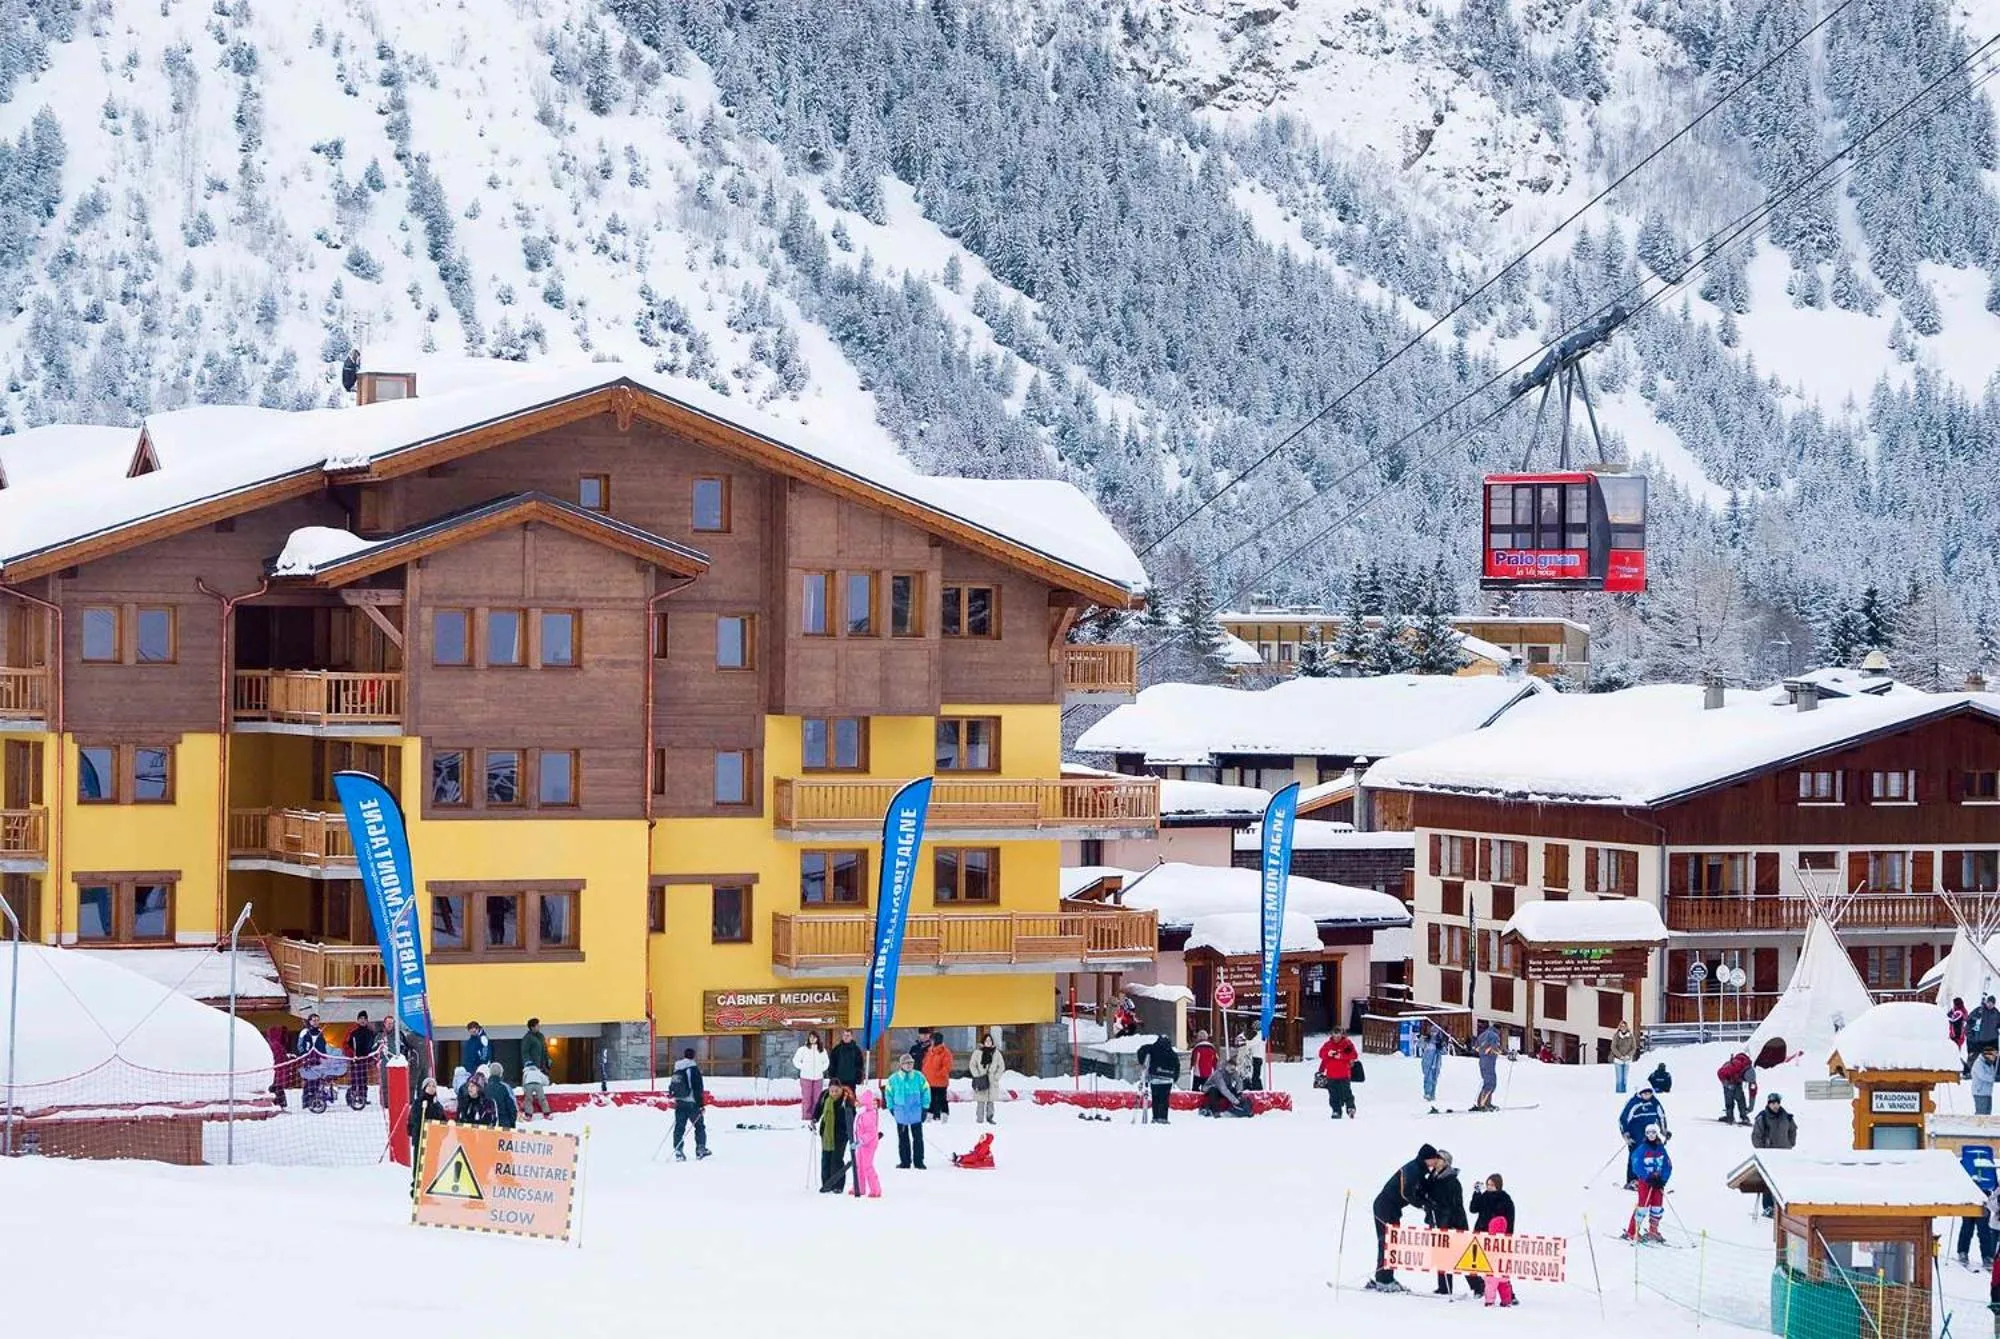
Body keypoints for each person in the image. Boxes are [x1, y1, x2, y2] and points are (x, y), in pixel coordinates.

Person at [1369, 1143, 1446, 1292]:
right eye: (1434, 1159)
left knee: (1393, 1242)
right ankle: (1383, 1280)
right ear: (1426, 1159)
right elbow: (1407, 1193)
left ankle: (1387, 1277)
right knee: (1386, 1242)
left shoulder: (1421, 1169)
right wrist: (1422, 1204)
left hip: (1393, 1209)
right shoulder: (1412, 1169)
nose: (1435, 1162)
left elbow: (1421, 1190)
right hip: (1384, 1206)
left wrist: (1428, 1201)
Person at [1424, 1149, 1469, 1295]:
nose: (1436, 1161)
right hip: (1439, 1222)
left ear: (1446, 1162)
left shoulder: (1452, 1181)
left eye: (1440, 1158)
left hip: (1454, 1223)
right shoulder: (1432, 1178)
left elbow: (1454, 1205)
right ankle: (1444, 1286)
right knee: (1441, 1254)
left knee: (1463, 1256)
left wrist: (1449, 1222)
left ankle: (1477, 1286)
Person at [1470, 1172, 1518, 1303]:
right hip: (1481, 1234)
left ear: (1498, 1186)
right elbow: (1473, 1209)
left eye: (1492, 1185)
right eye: (1488, 1185)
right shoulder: (1484, 1196)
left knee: (1499, 1268)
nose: (1489, 1187)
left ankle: (1509, 1295)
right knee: (1475, 1264)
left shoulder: (1505, 1199)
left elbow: (1509, 1220)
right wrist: (1476, 1194)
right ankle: (1481, 1289)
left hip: (1497, 1238)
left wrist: (1506, 1237)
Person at [1623, 1123, 1672, 1242]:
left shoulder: (1661, 1148)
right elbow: (1636, 1165)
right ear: (1646, 1134)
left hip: (1658, 1182)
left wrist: (1663, 1179)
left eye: (1653, 1133)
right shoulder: (1642, 1149)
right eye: (1648, 1133)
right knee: (1643, 1206)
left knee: (1657, 1206)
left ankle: (1653, 1230)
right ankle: (1632, 1231)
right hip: (1646, 1182)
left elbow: (1668, 1165)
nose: (1651, 1135)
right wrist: (1647, 1177)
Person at [1751, 1093, 1797, 1217]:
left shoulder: (1787, 1117)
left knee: (1783, 1181)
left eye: (1777, 1103)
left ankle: (1781, 1206)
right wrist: (1762, 1150)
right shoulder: (1762, 1118)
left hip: (1784, 1154)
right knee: (1768, 1182)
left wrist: (1790, 1143)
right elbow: (1756, 1136)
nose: (1775, 1105)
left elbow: (1793, 1130)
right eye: (1772, 1103)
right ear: (1768, 1104)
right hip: (1769, 1155)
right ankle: (1768, 1207)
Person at [1619, 1085, 1670, 1188]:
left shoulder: (1654, 1102)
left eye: (1649, 1093)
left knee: (1654, 1154)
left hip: (1650, 1131)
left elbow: (1661, 1117)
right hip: (1636, 1132)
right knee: (1636, 1155)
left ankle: (1653, 1179)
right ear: (1640, 1093)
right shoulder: (1634, 1103)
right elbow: (1623, 1119)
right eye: (1644, 1093)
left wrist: (1664, 1131)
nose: (1647, 1095)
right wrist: (1626, 1134)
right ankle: (1633, 1180)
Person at [885, 1055, 928, 1169]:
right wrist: (891, 1108)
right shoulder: (893, 1079)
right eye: (906, 1063)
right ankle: (905, 1161)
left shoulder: (919, 1076)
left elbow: (926, 1091)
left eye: (911, 1063)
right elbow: (888, 1094)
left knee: (918, 1138)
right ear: (901, 1065)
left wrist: (925, 1107)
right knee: (903, 1139)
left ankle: (919, 1161)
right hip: (901, 1112)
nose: (909, 1065)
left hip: (916, 1111)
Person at [669, 1046, 710, 1161]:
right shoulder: (693, 1069)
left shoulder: (678, 1068)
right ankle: (700, 1149)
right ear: (693, 1056)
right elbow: (698, 1089)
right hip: (692, 1104)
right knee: (699, 1126)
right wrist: (701, 1104)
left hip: (680, 1102)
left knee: (679, 1127)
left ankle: (678, 1150)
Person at [407, 1077, 448, 1189]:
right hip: (421, 1138)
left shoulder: (438, 1105)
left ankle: (431, 1185)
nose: (431, 1088)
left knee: (432, 1163)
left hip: (434, 1140)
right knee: (419, 1162)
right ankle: (417, 1184)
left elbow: (443, 1121)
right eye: (429, 1086)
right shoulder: (418, 1103)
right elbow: (414, 1120)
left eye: (434, 1086)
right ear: (424, 1088)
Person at [1961, 1150, 1999, 1269]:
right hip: (1970, 1200)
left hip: (1982, 1201)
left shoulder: (1985, 1168)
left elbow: (1994, 1185)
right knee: (1969, 1229)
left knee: (1981, 1231)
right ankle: (1965, 1252)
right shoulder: (1984, 1166)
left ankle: (1986, 1256)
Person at [815, 1079, 855, 1193]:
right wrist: (814, 1118)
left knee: (836, 1159)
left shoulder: (846, 1098)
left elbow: (852, 1115)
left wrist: (850, 1132)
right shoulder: (825, 1096)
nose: (833, 1093)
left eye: (836, 1091)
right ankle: (826, 1183)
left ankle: (838, 1185)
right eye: (831, 1091)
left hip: (841, 1134)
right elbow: (818, 1108)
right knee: (826, 1158)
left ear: (840, 1089)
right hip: (827, 1133)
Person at [1137, 1032, 1179, 1124]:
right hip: (1168, 1079)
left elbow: (1141, 1051)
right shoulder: (1171, 1052)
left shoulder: (1152, 1048)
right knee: (1164, 1099)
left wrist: (1142, 1062)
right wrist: (1175, 1078)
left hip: (1155, 1078)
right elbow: (1177, 1065)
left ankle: (1155, 1117)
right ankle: (1163, 1117)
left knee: (1156, 1099)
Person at [1318, 1031, 1359, 1119]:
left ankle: (1350, 1108)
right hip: (1331, 1075)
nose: (1336, 1038)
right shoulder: (1328, 1045)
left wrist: (1341, 1056)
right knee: (1333, 1095)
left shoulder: (1347, 1044)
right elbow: (1322, 1055)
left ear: (1341, 1035)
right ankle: (1336, 1110)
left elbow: (1354, 1055)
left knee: (1346, 1092)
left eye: (1338, 1036)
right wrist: (1328, 1054)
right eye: (1335, 1036)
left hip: (1344, 1074)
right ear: (1332, 1035)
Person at [520, 1017, 553, 1122]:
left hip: (541, 1066)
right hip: (531, 1068)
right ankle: (529, 1113)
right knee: (530, 1094)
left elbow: (545, 1049)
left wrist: (547, 1059)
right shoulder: (527, 1038)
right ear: (532, 1027)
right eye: (537, 1025)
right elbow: (524, 1052)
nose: (539, 1027)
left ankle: (546, 1111)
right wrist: (528, 1063)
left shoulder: (541, 1036)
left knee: (542, 1089)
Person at [852, 1085, 883, 1198]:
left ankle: (875, 1189)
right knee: (859, 1165)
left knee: (867, 1165)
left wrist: (861, 1140)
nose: (856, 1103)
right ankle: (859, 1187)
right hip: (860, 1144)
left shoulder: (869, 1115)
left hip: (868, 1144)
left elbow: (871, 1132)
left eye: (858, 1101)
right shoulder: (861, 1113)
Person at [296, 1013, 332, 1107]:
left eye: (317, 1020)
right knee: (309, 1081)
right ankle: (306, 1100)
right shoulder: (305, 1032)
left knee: (318, 1080)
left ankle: (316, 1099)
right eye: (314, 1020)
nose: (316, 1022)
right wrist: (304, 1056)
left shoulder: (320, 1032)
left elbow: (323, 1046)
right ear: (309, 1021)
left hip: (318, 1060)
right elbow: (300, 1046)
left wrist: (325, 1057)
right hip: (308, 1059)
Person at [969, 1031, 1004, 1124]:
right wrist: (977, 1075)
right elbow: (972, 1065)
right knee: (981, 1100)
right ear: (983, 1042)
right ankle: (979, 1118)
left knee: (990, 1100)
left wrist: (996, 1077)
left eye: (990, 1041)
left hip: (992, 1080)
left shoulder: (996, 1053)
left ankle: (990, 1117)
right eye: (986, 1041)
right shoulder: (977, 1053)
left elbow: (1001, 1066)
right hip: (981, 1079)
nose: (988, 1042)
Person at [794, 1031, 829, 1125]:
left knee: (817, 1098)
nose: (812, 1039)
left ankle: (815, 1117)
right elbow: (795, 1060)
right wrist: (803, 1066)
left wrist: (821, 1069)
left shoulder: (822, 1050)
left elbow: (826, 1062)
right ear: (808, 1038)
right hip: (806, 1077)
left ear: (817, 1038)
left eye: (814, 1037)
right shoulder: (803, 1050)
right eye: (811, 1037)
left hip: (818, 1078)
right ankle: (806, 1118)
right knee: (807, 1098)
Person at [922, 1031, 955, 1122]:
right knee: (930, 1099)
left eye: (932, 1040)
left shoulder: (945, 1052)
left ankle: (944, 1117)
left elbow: (947, 1067)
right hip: (929, 1081)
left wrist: (938, 1074)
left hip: (941, 1082)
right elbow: (925, 1063)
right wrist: (925, 1073)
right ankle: (929, 1117)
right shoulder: (930, 1051)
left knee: (942, 1100)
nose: (931, 1042)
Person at [347, 1011, 377, 1108]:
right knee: (355, 1079)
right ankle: (352, 1096)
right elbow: (346, 1045)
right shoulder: (353, 1032)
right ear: (358, 1020)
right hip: (355, 1060)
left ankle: (363, 1097)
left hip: (365, 1060)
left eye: (365, 1019)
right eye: (361, 1019)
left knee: (363, 1079)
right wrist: (352, 1055)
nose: (363, 1021)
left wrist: (371, 1057)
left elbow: (373, 1046)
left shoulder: (370, 1033)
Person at [1718, 1050, 1756, 1125]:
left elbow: (1753, 1089)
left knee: (1740, 1097)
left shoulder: (1751, 1075)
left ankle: (1744, 1117)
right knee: (1729, 1098)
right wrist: (1727, 1084)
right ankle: (1730, 1116)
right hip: (1728, 1078)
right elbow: (1720, 1073)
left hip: (1737, 1079)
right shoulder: (1732, 1068)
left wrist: (1751, 1106)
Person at [1472, 1020, 1503, 1112]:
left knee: (1487, 1081)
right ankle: (1483, 1104)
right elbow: (1495, 1048)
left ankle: (1484, 1103)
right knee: (1491, 1083)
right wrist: (1503, 1053)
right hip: (1489, 1061)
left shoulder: (1482, 1034)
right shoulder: (1494, 1035)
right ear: (1499, 1029)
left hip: (1482, 1060)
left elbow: (1476, 1047)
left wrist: (1483, 1051)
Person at [1420, 1026, 1446, 1112]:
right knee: (1428, 1077)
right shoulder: (1427, 1040)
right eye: (1432, 1031)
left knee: (1434, 1078)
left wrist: (1441, 1046)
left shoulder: (1440, 1041)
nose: (1434, 1033)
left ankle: (1432, 1094)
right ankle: (1427, 1093)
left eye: (1435, 1032)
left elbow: (1444, 1051)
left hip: (1436, 1061)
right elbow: (1420, 1045)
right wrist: (1422, 1038)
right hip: (1427, 1061)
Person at [486, 1061, 518, 1130]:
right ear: (501, 1073)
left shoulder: (484, 1088)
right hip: (504, 1125)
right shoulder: (506, 1088)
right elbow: (512, 1107)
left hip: (487, 1126)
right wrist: (511, 1123)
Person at [1610, 1022, 1638, 1095]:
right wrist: (1620, 1056)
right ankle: (1619, 1093)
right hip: (1618, 1060)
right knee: (1619, 1079)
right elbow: (1613, 1047)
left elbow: (1634, 1047)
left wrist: (1628, 1056)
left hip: (1627, 1060)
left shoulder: (1631, 1036)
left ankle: (1624, 1093)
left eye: (1624, 1026)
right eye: (1621, 1026)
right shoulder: (1616, 1036)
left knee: (1625, 1079)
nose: (1623, 1028)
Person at [1976, 1046, 1999, 1117]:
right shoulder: (1979, 1063)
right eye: (1993, 1055)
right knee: (1981, 1114)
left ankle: (1985, 1127)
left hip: (1988, 1092)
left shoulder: (1989, 1064)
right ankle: (1978, 1127)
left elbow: (1993, 1074)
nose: (1994, 1057)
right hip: (1980, 1093)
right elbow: (1983, 1076)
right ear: (1987, 1055)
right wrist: (1994, 1078)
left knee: (1987, 1115)